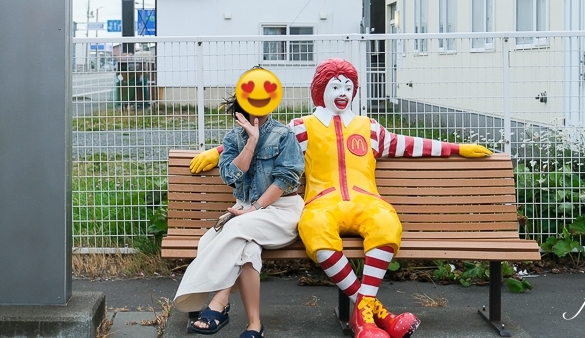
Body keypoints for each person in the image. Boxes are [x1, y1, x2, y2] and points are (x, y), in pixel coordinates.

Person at [189, 58, 494, 338]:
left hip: (367, 200)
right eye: (335, 87)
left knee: (386, 223)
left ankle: (364, 314)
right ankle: (377, 315)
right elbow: (266, 140)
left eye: (348, 87)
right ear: (320, 90)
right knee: (314, 227)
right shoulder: (302, 128)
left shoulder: (369, 127)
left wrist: (457, 149)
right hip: (323, 202)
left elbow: (409, 144)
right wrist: (217, 152)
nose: (343, 93)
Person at [174, 67, 304, 338]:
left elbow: (286, 180)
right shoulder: (233, 139)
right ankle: (255, 326)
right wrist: (251, 142)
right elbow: (230, 176)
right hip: (245, 213)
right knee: (234, 247)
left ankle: (217, 302)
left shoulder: (284, 135)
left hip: (279, 212)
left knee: (234, 229)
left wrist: (254, 209)